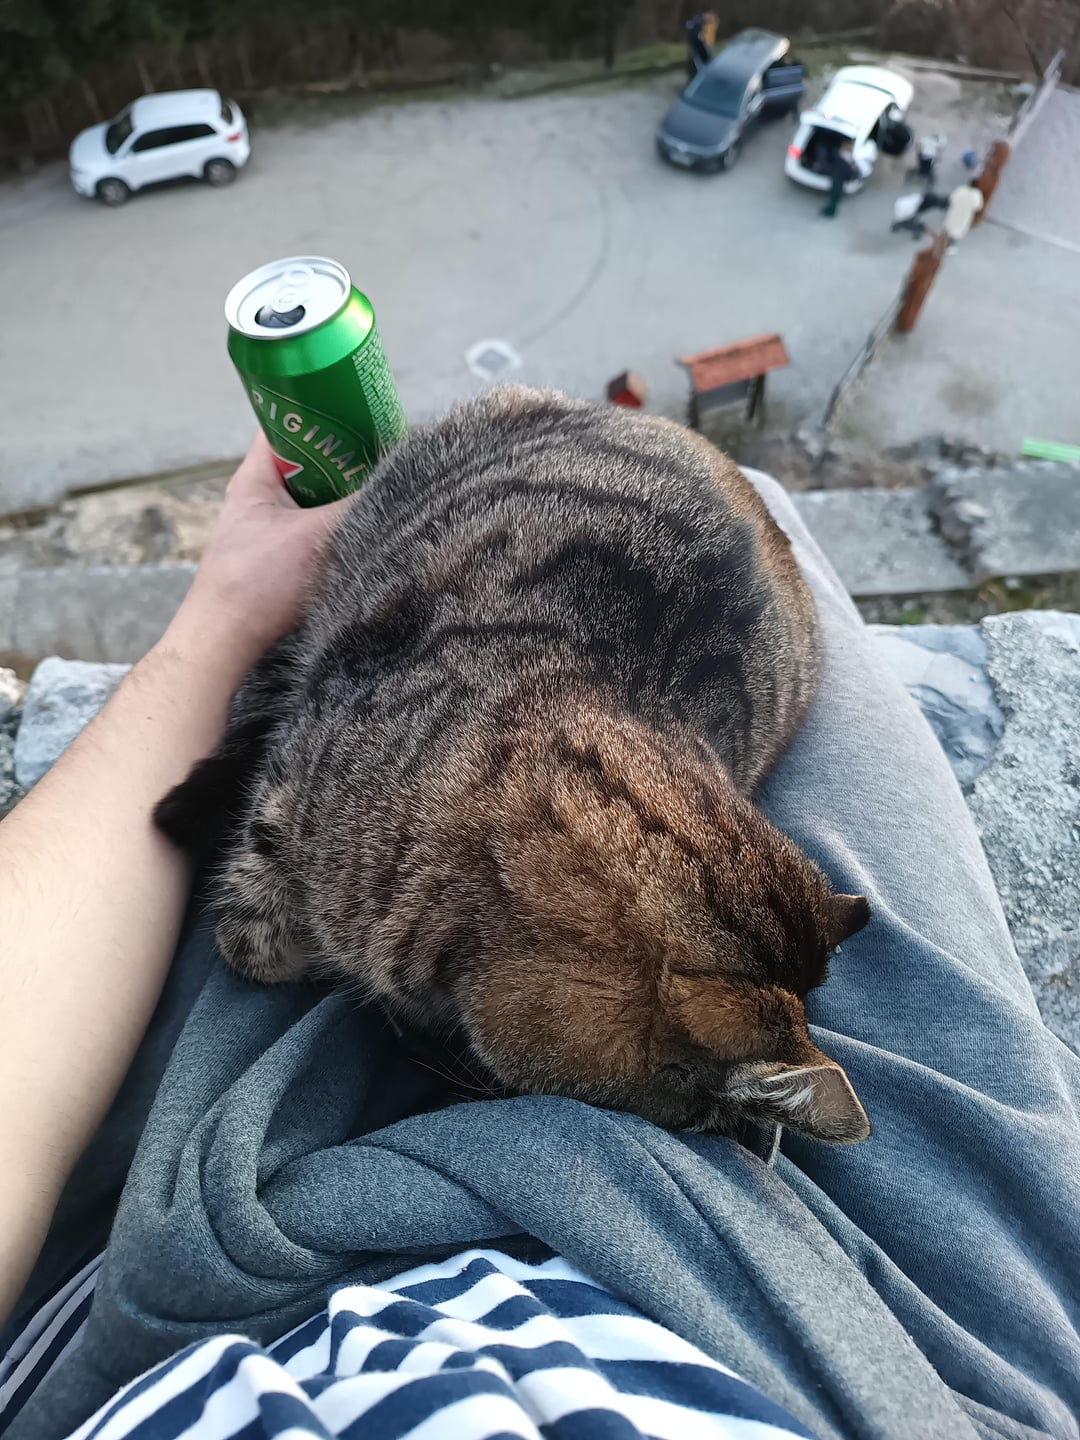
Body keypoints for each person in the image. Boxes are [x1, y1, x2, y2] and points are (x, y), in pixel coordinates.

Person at [1, 436, 1079, 1440]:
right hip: (878, 1353)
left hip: (237, 1254)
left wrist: (216, 625)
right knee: (763, 517)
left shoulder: (380, 863)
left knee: (759, 520)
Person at [820, 139, 860, 218]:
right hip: (840, 178)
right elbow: (853, 170)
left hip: (838, 178)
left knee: (835, 195)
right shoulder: (849, 157)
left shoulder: (842, 156)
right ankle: (830, 210)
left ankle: (830, 211)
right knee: (836, 196)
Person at [944, 177, 985, 246]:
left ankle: (943, 242)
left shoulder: (962, 189)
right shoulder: (976, 194)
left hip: (955, 212)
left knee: (949, 227)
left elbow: (952, 198)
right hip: (964, 215)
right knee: (957, 231)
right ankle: (949, 245)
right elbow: (978, 206)